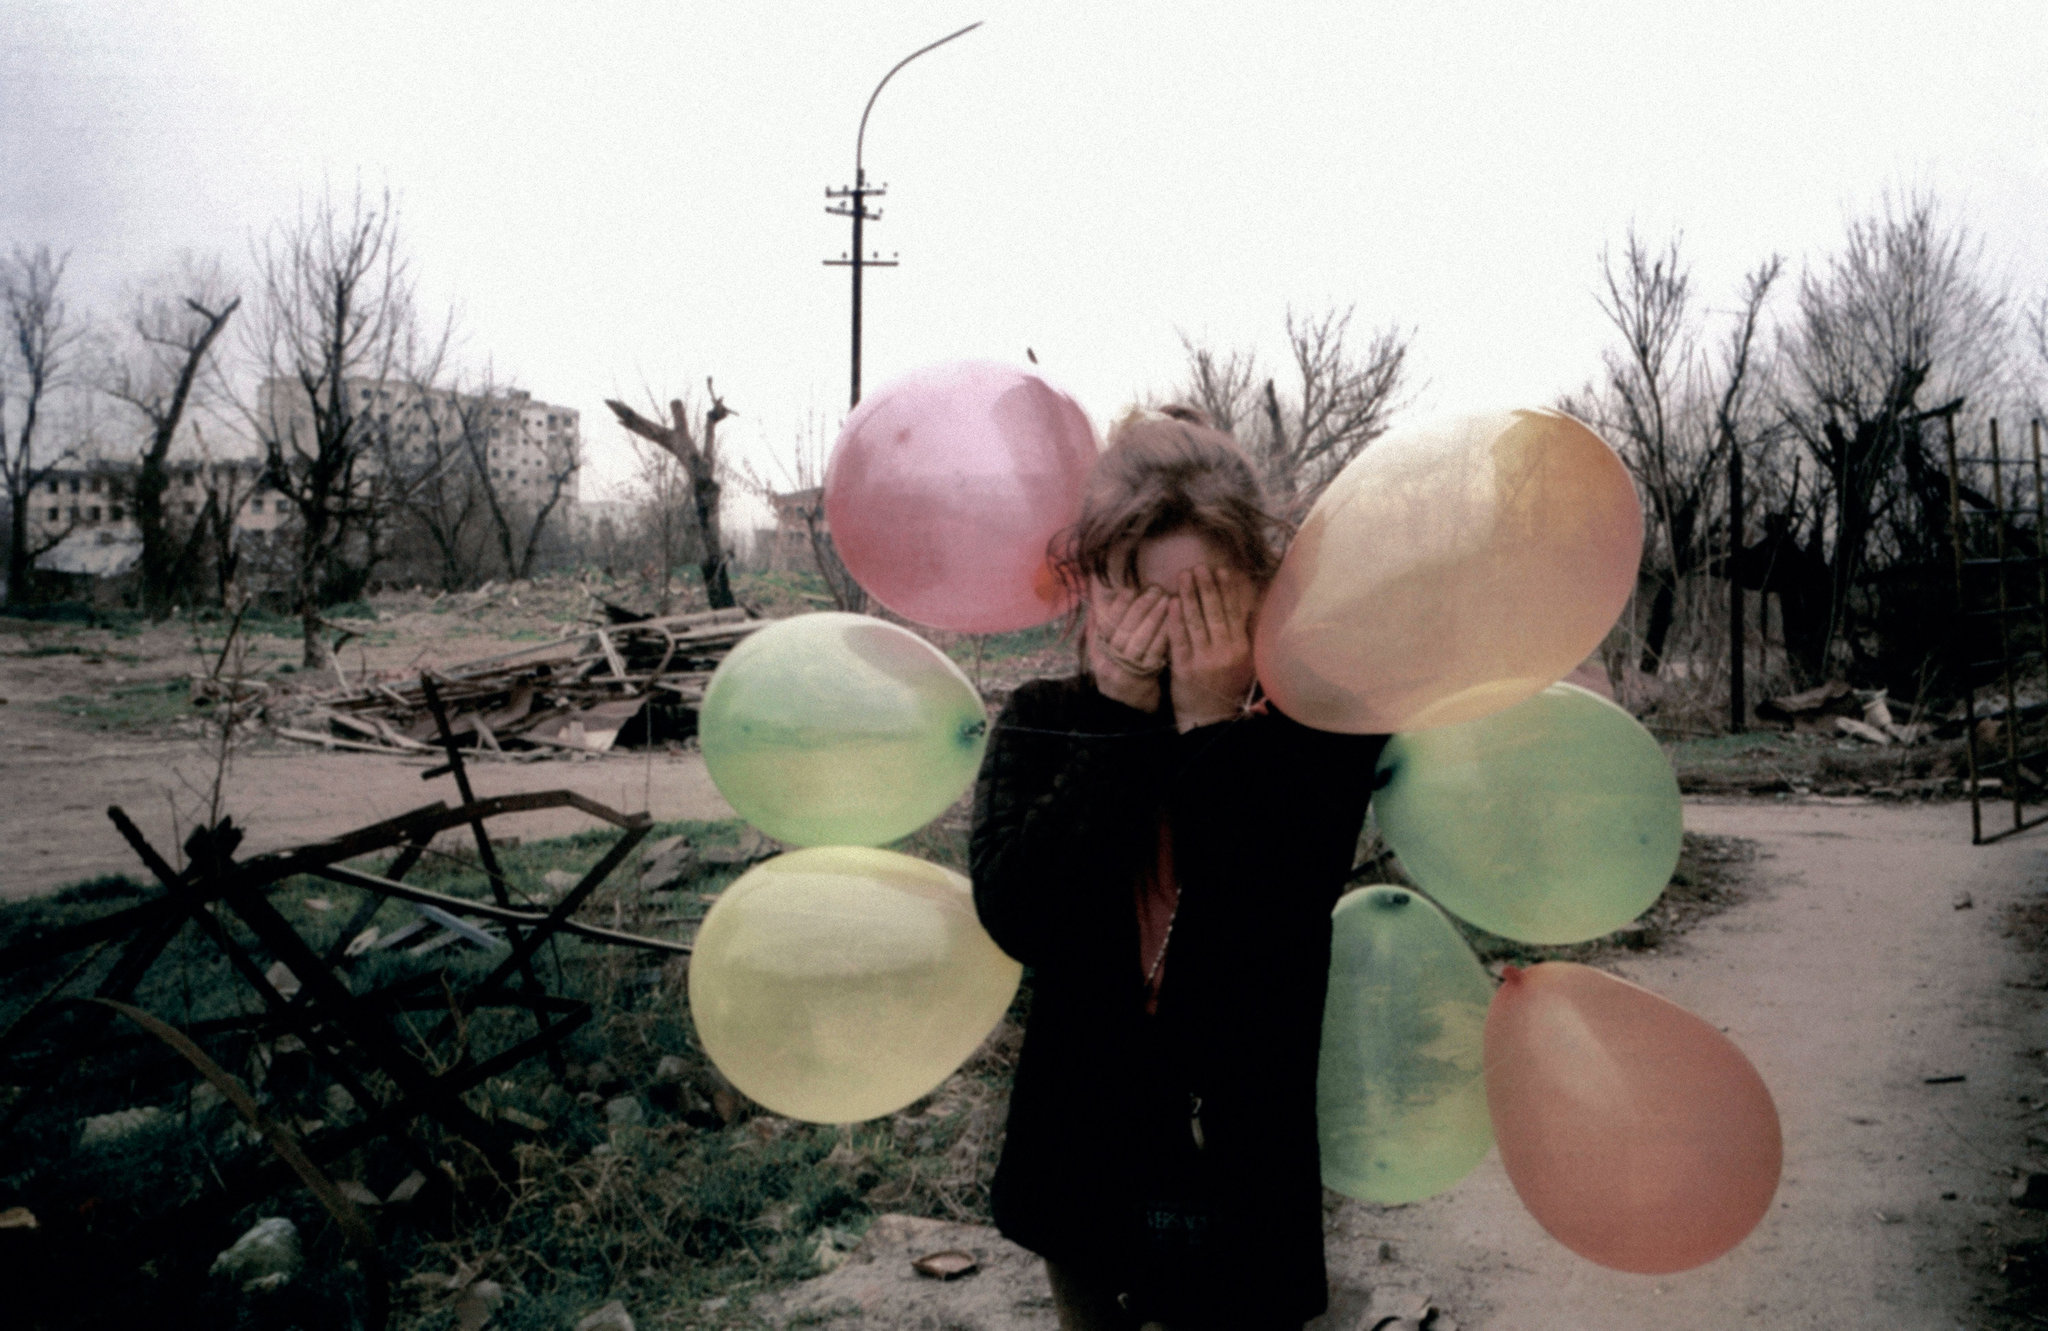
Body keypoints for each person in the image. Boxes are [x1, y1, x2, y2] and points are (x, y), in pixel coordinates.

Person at [969, 406, 1390, 1330]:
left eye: (1201, 602)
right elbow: (1019, 912)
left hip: (1240, 1159)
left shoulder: (1320, 728)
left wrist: (1211, 730)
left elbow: (1271, 915)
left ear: (1259, 587)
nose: (1167, 636)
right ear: (1093, 585)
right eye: (1140, 600)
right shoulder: (1049, 718)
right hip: (1080, 1151)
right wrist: (1119, 721)